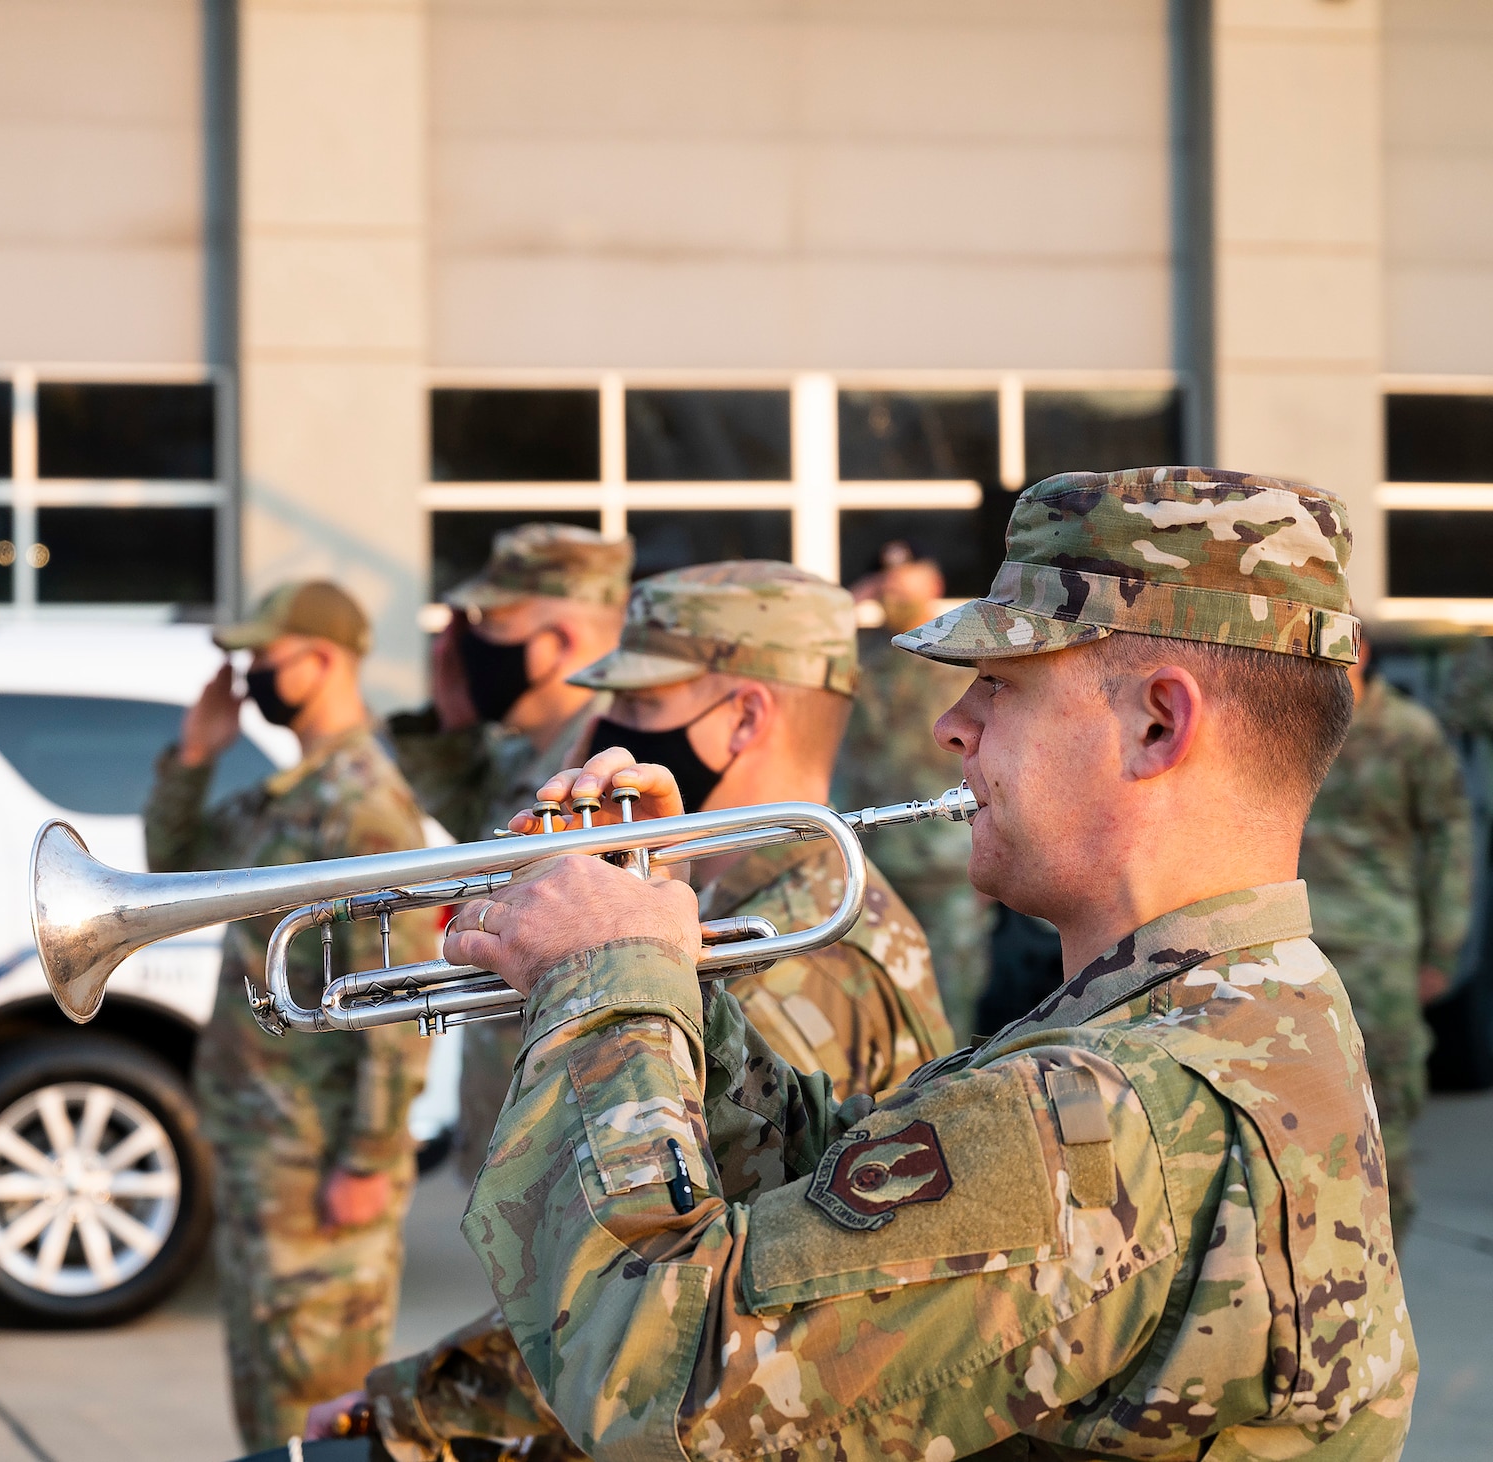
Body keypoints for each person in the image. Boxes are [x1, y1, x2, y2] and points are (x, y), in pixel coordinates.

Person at [422, 469, 1415, 1460]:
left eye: (1001, 682)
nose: (953, 723)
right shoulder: (1247, 1006)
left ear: (1155, 722)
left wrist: (607, 984)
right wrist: (666, 968)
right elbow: (836, 1192)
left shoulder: (1105, 1109)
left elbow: (652, 1387)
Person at [313, 561, 954, 1459]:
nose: (605, 733)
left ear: (744, 717)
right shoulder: (715, 897)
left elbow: (686, 1296)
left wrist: (414, 1406)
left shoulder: (808, 954)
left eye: (642, 710)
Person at [145, 579, 440, 1451]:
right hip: (264, 1146)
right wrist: (195, 757)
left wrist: (369, 1158)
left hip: (317, 1155)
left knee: (319, 1414)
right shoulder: (288, 797)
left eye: (262, 661)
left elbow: (396, 999)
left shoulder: (363, 805)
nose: (247, 680)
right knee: (268, 1400)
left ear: (320, 661)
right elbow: (176, 874)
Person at [387, 523, 632, 1180]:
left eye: (489, 630)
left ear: (555, 644)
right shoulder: (522, 750)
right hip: (519, 1123)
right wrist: (449, 722)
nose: (465, 649)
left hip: (577, 1138)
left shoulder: (613, 771)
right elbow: (477, 839)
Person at [1299, 630, 1473, 1233]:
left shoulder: (1406, 733)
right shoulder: (1292, 720)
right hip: (1294, 949)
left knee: (1385, 1116)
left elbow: (1451, 837)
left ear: (1363, 651)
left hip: (1379, 955)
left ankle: (1381, 1285)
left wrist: (1443, 949)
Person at [837, 539, 994, 1032]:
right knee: (872, 1012)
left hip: (949, 868)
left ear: (936, 583)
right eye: (886, 576)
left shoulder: (961, 655)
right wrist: (846, 605)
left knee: (950, 1012)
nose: (895, 586)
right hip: (871, 866)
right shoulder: (853, 657)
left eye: (910, 573)